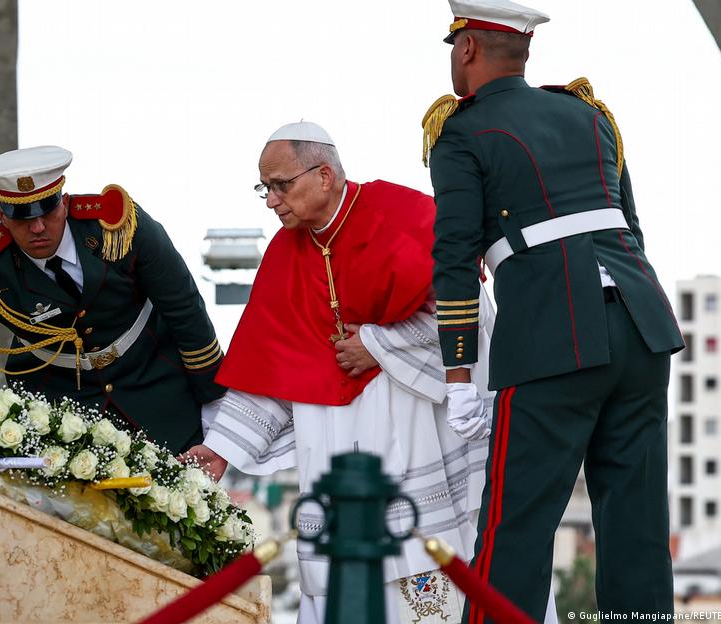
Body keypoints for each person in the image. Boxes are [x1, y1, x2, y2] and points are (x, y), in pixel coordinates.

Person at [423, 0, 685, 620]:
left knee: (514, 527)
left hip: (553, 337)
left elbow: (455, 259)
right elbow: (632, 230)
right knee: (637, 526)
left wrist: (458, 373)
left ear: (467, 49)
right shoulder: (588, 116)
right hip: (644, 327)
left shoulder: (461, 132)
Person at [182, 121, 497, 623]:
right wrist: (219, 450)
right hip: (327, 435)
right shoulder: (285, 254)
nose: (271, 201)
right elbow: (275, 369)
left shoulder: (403, 214)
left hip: (407, 417)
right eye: (265, 188)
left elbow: (466, 309)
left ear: (324, 175)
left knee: (421, 576)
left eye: (281, 185)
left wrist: (378, 343)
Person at [0, 146, 226, 454]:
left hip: (159, 396)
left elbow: (184, 309)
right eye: (21, 217)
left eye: (47, 210)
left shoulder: (119, 226)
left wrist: (216, 411)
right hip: (60, 419)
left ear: (66, 202)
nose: (38, 227)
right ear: (0, 215)